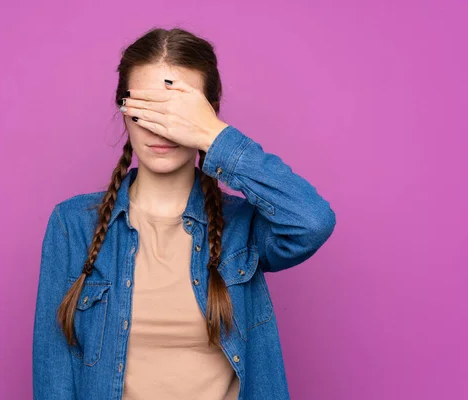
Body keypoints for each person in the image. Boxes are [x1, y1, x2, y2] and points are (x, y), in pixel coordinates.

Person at [33, 27, 336, 400]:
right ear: (123, 111)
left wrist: (213, 136)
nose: (164, 127)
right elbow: (55, 375)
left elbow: (312, 220)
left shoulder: (242, 227)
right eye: (147, 107)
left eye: (178, 111)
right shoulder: (73, 225)